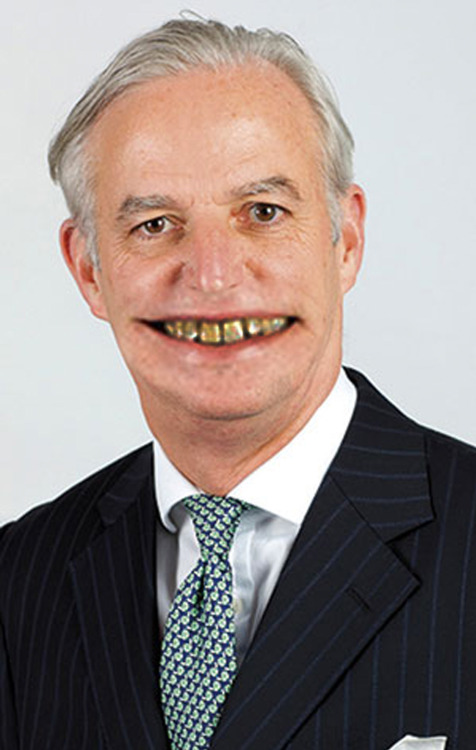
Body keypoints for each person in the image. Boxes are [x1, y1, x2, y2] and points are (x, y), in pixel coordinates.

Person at [1, 17, 475, 750]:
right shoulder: (16, 579)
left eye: (262, 212)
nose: (215, 274)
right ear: (89, 269)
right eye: (155, 224)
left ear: (344, 240)